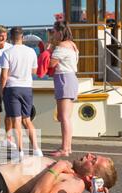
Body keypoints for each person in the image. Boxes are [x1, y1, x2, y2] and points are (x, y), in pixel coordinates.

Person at [0, 27, 42, 161]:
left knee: (16, 120)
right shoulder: (31, 52)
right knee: (27, 120)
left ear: (11, 38)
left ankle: (20, 151)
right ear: (22, 37)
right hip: (27, 87)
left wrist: (2, 91)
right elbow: (34, 71)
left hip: (12, 88)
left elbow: (4, 75)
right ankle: (36, 149)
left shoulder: (7, 52)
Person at [48, 21, 79, 158]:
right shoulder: (73, 45)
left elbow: (51, 63)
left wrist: (48, 49)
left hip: (63, 79)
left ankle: (65, 148)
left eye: (54, 32)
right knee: (64, 116)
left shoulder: (61, 46)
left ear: (60, 32)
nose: (53, 34)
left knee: (64, 117)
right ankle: (68, 147)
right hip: (70, 78)